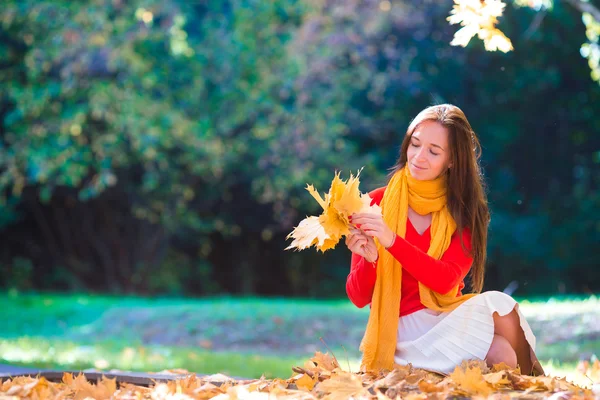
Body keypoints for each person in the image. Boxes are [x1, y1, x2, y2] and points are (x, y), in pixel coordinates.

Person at [345, 104, 544, 376]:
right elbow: (357, 297)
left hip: (445, 317)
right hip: (399, 330)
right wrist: (370, 260)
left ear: (452, 160)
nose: (418, 157)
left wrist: (391, 241)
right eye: (414, 144)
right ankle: (539, 385)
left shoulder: (463, 212)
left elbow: (445, 280)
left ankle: (539, 388)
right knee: (501, 328)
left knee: (503, 346)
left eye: (433, 151)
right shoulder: (374, 203)